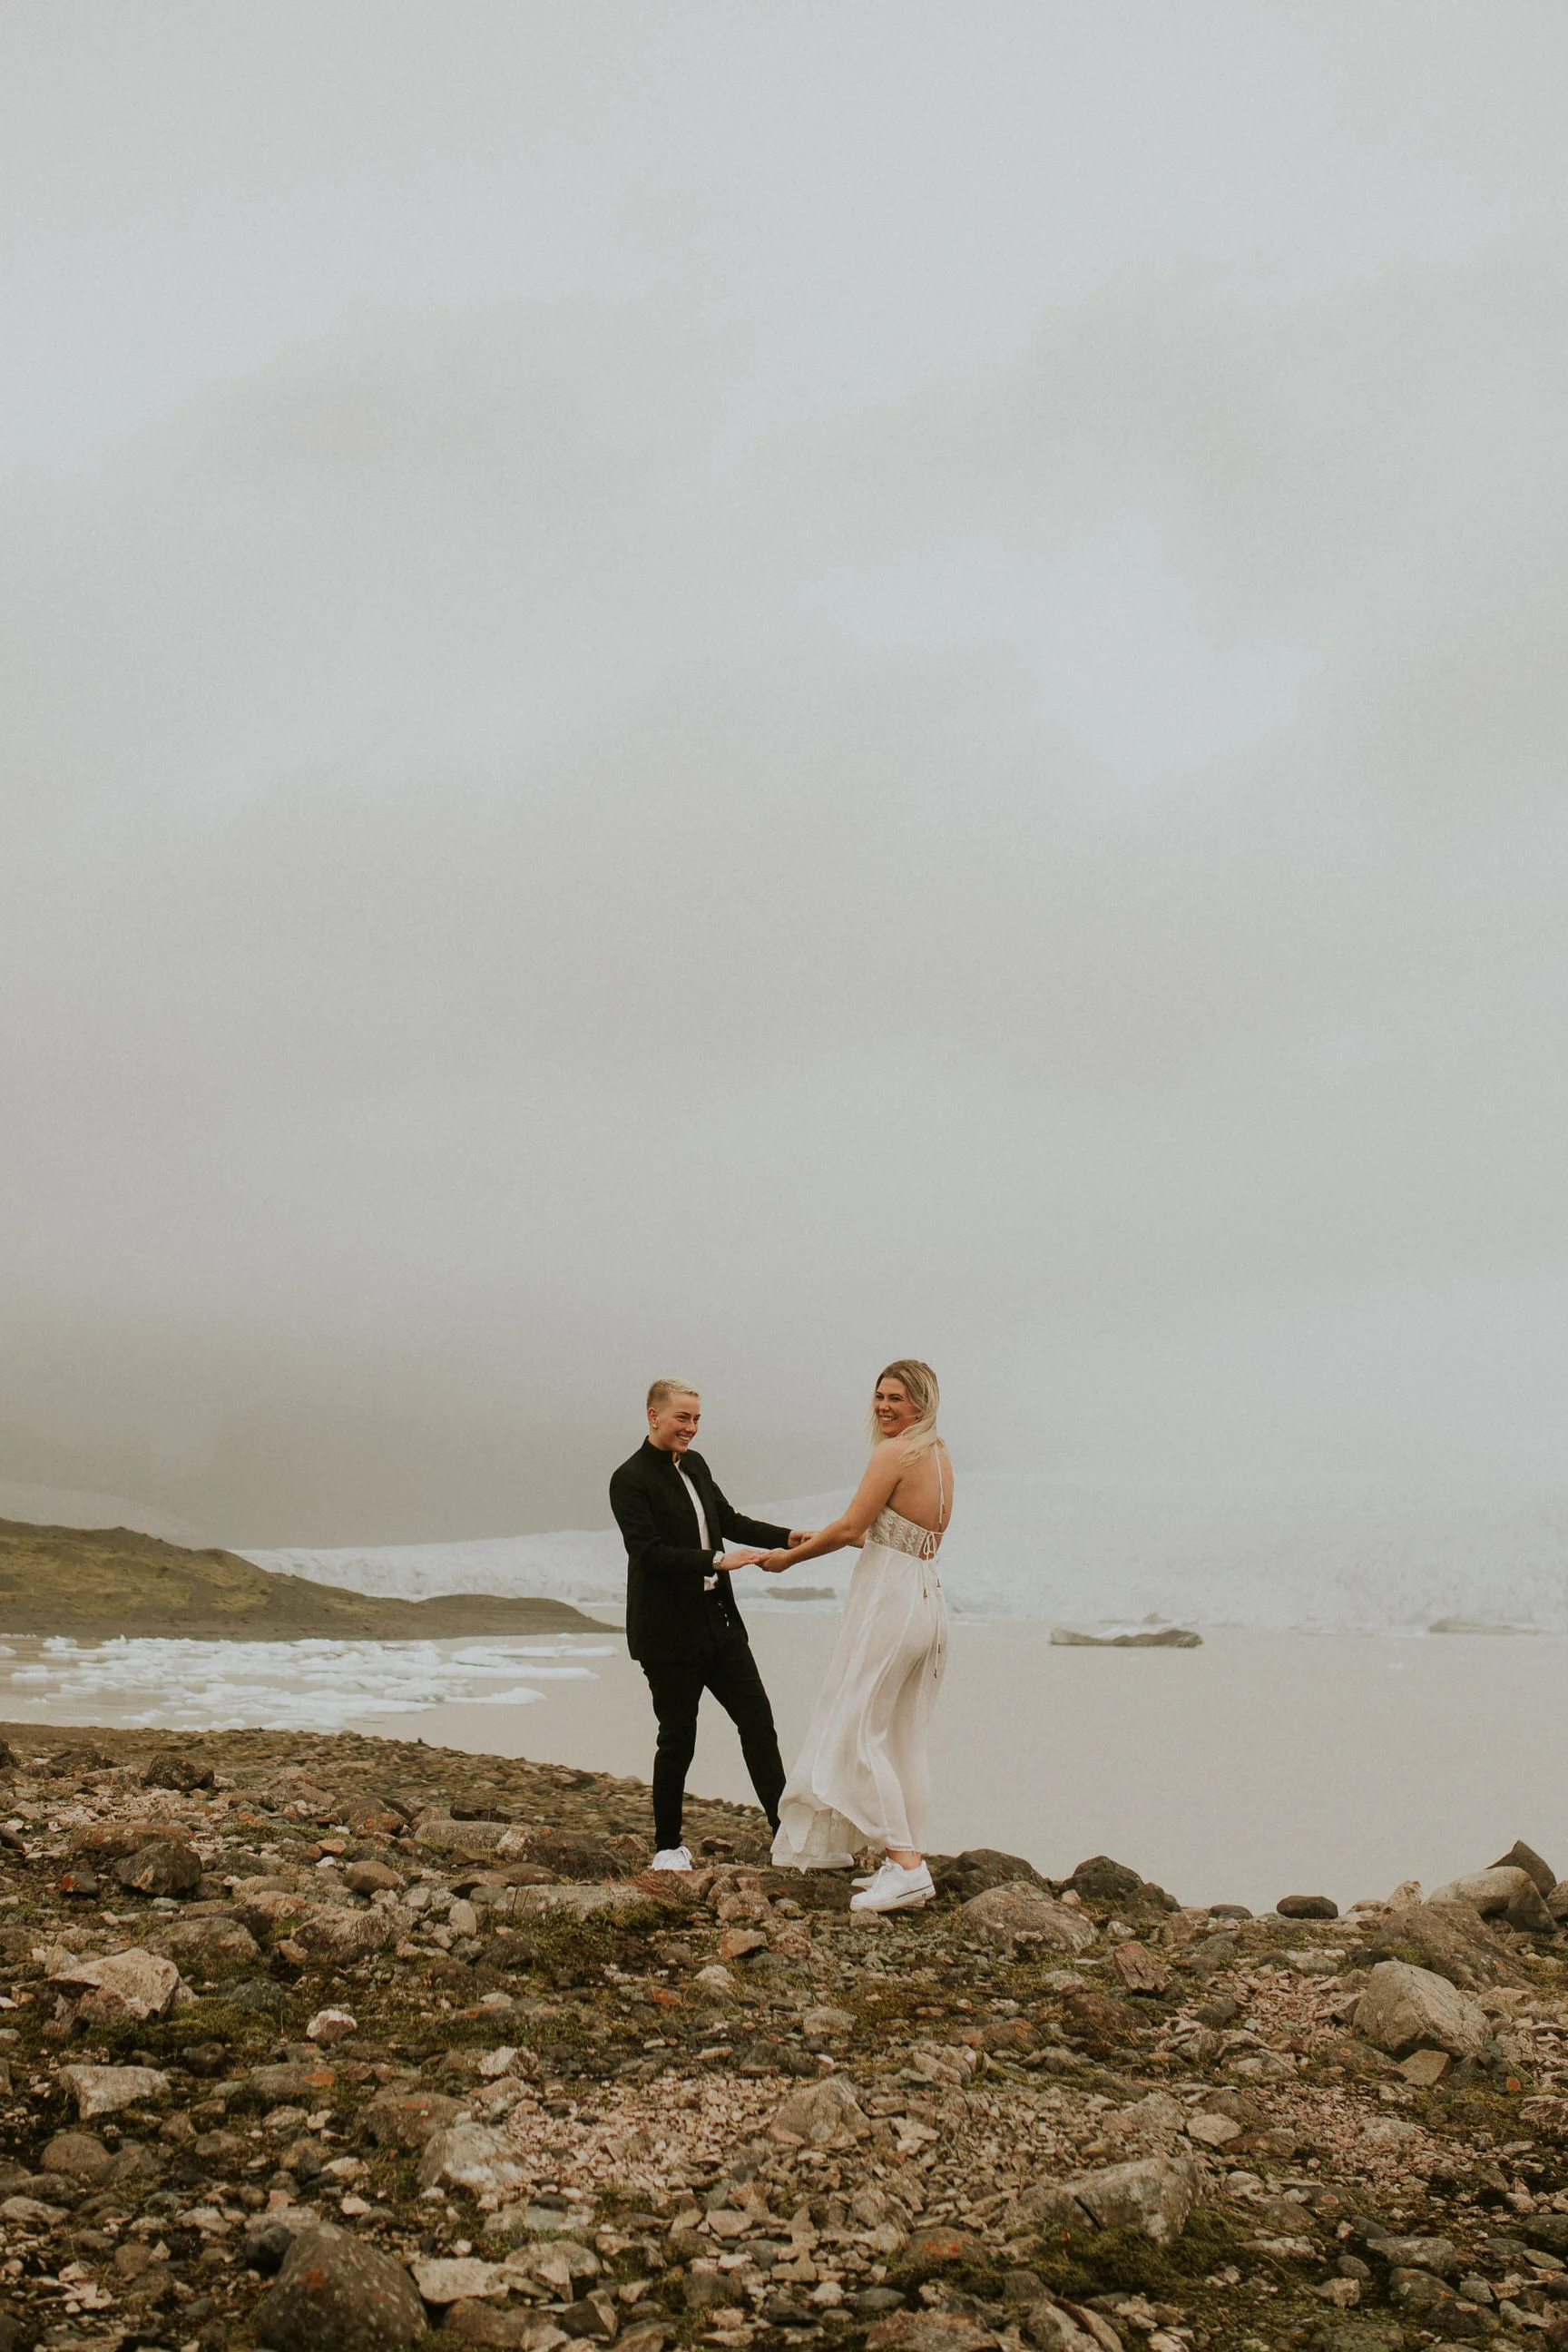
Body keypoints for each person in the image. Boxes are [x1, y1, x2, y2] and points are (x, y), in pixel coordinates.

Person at [760, 1359, 952, 1914]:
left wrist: (788, 1559)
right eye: (879, 1396)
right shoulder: (938, 1455)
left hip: (890, 1602)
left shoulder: (895, 1452)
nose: (884, 1407)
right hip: (925, 1597)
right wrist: (817, 1536)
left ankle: (907, 1867)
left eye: (897, 1398)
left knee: (858, 1732)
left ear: (921, 1403)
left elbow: (852, 1527)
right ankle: (907, 1859)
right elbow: (887, 1533)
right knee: (900, 1737)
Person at [609, 1379, 811, 1871]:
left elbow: (728, 1519)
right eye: (683, 1418)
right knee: (678, 1738)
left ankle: (786, 1838)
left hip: (719, 1625)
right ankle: (667, 1848)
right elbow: (648, 1554)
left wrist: (788, 1536)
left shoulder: (696, 1465)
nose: (692, 1428)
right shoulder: (629, 1479)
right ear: (654, 1416)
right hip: (666, 1635)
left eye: (697, 1419)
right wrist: (716, 1561)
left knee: (758, 1724)